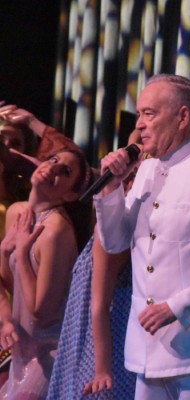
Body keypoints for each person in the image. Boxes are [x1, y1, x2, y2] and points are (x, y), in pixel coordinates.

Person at [94, 74, 190, 399]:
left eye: (149, 114)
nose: (140, 124)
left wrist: (175, 306)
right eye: (139, 115)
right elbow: (115, 242)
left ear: (182, 117)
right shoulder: (147, 169)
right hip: (147, 348)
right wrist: (110, 187)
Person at [47, 131, 141, 400]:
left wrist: (101, 369)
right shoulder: (110, 228)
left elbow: (100, 305)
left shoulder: (115, 231)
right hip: (98, 347)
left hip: (102, 350)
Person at [0, 147, 93, 399]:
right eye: (53, 160)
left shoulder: (55, 231)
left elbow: (42, 314)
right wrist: (4, 253)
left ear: (71, 194)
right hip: (21, 348)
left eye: (65, 171)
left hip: (49, 354)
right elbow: (12, 286)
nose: (52, 168)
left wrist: (22, 254)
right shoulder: (16, 212)